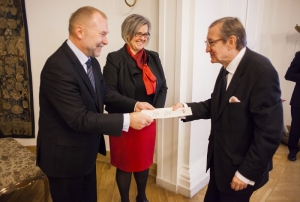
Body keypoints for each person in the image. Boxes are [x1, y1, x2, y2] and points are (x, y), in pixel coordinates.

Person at [37, 7, 154, 202]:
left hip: (85, 154)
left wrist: (135, 104)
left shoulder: (91, 61)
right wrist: (128, 120)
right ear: (80, 31)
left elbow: (105, 92)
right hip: (64, 161)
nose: (106, 41)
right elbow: (79, 118)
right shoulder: (58, 67)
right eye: (102, 34)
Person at [173, 17, 283, 202]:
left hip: (240, 170)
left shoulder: (262, 71)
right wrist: (186, 109)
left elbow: (270, 133)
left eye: (211, 42)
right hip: (220, 164)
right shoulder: (226, 68)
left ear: (231, 41)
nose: (207, 48)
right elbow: (217, 104)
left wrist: (246, 174)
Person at [103, 14, 167, 202]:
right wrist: (135, 106)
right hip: (124, 121)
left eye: (146, 34)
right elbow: (108, 93)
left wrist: (155, 112)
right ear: (128, 33)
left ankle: (142, 197)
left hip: (148, 120)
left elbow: (163, 86)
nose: (143, 37)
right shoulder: (115, 58)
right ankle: (124, 199)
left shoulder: (153, 57)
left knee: (143, 162)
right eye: (138, 33)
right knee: (124, 165)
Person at [285, 51, 300, 161]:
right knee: (296, 127)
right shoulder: (299, 55)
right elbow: (289, 74)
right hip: (299, 100)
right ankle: (293, 151)